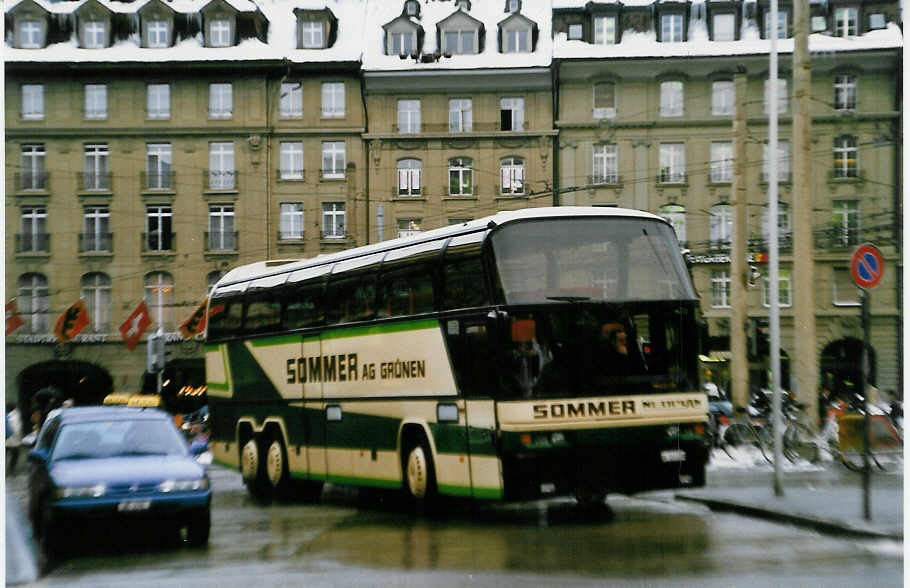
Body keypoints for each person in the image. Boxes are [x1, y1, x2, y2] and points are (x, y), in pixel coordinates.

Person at [6, 403, 23, 475]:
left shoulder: (8, 415)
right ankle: (11, 470)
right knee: (14, 456)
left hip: (7, 440)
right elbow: (17, 429)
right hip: (14, 440)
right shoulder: (15, 416)